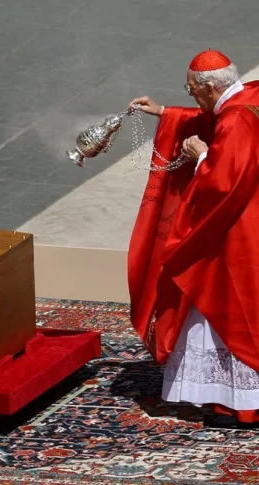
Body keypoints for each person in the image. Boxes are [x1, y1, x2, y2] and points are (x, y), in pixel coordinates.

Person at [127, 49, 259, 426]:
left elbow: (224, 182)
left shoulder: (235, 121)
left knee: (224, 303)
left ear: (210, 87)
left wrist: (202, 155)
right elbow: (212, 117)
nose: (192, 96)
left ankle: (241, 402)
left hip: (233, 233)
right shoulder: (250, 96)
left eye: (192, 90)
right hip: (251, 220)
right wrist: (166, 113)